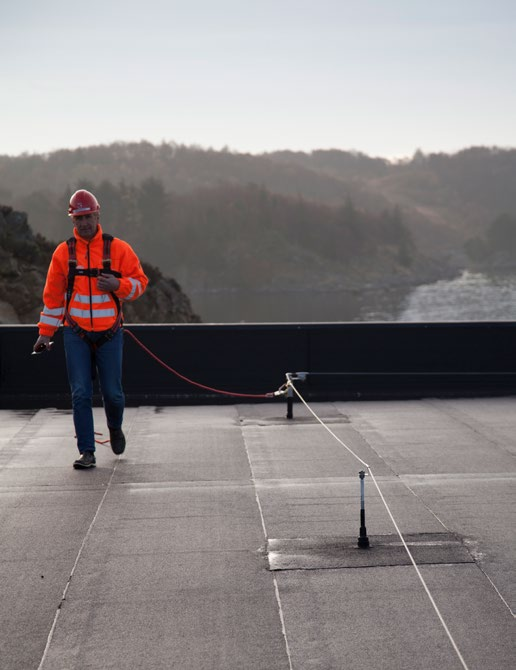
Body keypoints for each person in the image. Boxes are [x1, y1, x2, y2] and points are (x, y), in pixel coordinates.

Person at [33, 189, 149, 469]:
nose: (83, 223)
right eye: (78, 218)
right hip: (76, 333)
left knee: (113, 393)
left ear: (98, 215)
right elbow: (53, 298)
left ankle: (114, 428)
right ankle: (87, 451)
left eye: (88, 217)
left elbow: (140, 283)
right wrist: (45, 334)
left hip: (110, 333)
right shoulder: (63, 253)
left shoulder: (118, 249)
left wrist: (118, 286)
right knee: (80, 393)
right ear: (72, 220)